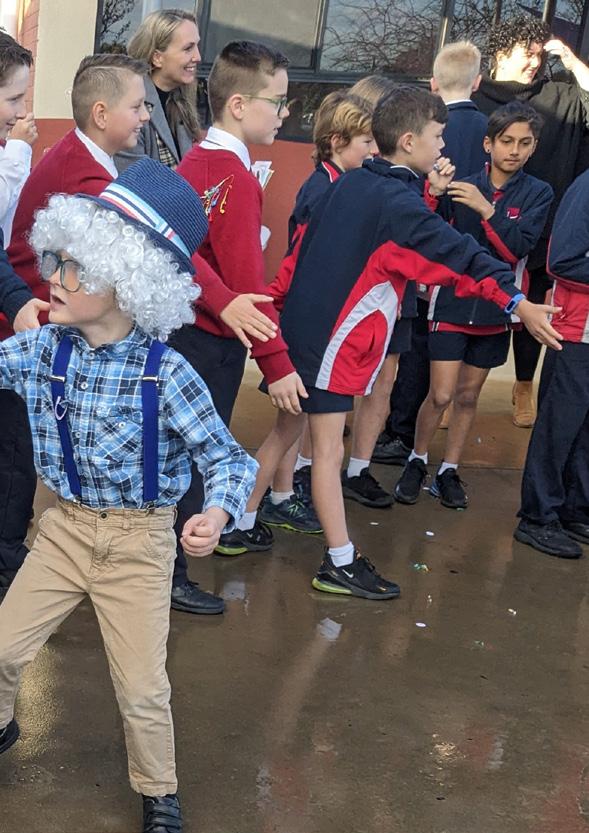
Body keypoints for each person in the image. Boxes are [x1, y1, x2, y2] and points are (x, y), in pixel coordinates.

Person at [220, 85, 562, 601]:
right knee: (328, 452)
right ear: (408, 141)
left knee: (285, 433)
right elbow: (459, 256)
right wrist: (518, 301)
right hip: (333, 345)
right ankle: (339, 561)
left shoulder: (348, 183)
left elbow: (296, 258)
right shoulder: (396, 203)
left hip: (303, 338)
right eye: (438, 137)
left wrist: (274, 317)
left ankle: (239, 524)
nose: (443, 146)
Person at [0, 158, 257, 833]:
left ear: (128, 282)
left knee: (142, 688)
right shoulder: (42, 350)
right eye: (58, 260)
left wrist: (216, 512)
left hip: (139, 544)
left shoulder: (167, 374)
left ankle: (158, 790)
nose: (56, 279)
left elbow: (228, 457)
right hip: (60, 531)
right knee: (1, 648)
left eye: (77, 268)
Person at [172, 41, 302, 593]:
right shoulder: (236, 178)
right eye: (278, 101)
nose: (284, 113)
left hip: (181, 335)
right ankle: (173, 576)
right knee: (193, 463)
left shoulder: (195, 163)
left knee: (173, 456)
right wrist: (277, 365)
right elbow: (248, 288)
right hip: (209, 345)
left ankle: (165, 573)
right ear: (240, 104)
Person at [394, 101, 553, 509]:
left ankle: (449, 469)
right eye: (506, 141)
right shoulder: (460, 184)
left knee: (467, 397)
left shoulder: (539, 193)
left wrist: (486, 210)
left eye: (524, 143)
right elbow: (426, 232)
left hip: (497, 309)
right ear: (488, 143)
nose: (514, 150)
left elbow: (516, 249)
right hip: (451, 302)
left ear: (534, 147)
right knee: (441, 394)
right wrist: (433, 193)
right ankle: (417, 459)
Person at [255, 90, 375, 536]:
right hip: (307, 325)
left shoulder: (335, 184)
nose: (373, 151)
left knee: (291, 425)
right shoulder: (322, 190)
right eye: (366, 142)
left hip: (306, 323)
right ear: (337, 141)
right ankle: (246, 512)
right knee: (288, 428)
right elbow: (302, 265)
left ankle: (274, 498)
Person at [375, 41, 489, 466]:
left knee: (414, 349)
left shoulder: (424, 130)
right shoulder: (490, 131)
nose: (440, 147)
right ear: (477, 82)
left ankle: (401, 432)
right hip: (468, 260)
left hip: (424, 257)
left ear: (433, 83)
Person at [474, 14, 589, 427]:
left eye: (541, 55)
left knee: (536, 308)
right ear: (501, 53)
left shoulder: (561, 95)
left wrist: (572, 62)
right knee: (473, 301)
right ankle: (457, 394)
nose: (535, 62)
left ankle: (524, 386)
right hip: (482, 224)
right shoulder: (476, 95)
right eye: (527, 53)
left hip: (543, 225)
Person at [514, 168, 589, 558]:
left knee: (584, 432)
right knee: (557, 429)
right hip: (576, 331)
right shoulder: (586, 187)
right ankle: (537, 515)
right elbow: (561, 261)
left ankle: (575, 509)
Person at [115, 7, 200, 171]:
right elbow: (135, 178)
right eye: (188, 48)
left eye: (197, 46)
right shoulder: (130, 108)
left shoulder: (181, 101)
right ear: (157, 58)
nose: (198, 57)